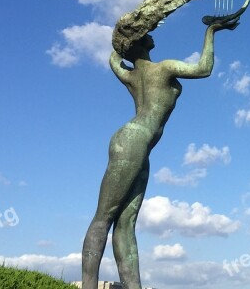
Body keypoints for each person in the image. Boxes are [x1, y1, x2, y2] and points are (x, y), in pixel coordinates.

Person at [81, 19, 239, 289]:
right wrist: (211, 31)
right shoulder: (163, 68)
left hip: (136, 145)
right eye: (146, 33)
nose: (151, 35)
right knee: (104, 216)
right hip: (132, 140)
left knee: (126, 224)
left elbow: (113, 59)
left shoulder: (130, 75)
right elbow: (204, 69)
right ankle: (87, 286)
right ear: (138, 43)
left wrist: (125, 35)